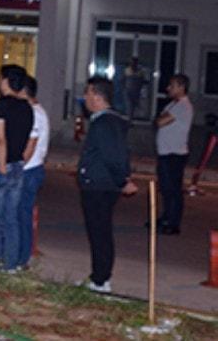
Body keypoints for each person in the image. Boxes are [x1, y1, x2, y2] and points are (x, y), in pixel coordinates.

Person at [77, 76, 137, 293]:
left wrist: (123, 180)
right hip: (100, 183)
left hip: (100, 186)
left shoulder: (105, 123)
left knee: (100, 232)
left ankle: (101, 280)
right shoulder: (107, 121)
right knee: (98, 231)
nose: (84, 98)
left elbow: (114, 156)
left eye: (87, 93)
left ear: (97, 96)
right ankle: (98, 276)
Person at [0, 65, 33, 272]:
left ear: (7, 81)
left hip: (0, 167)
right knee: (11, 218)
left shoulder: (1, 105)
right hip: (18, 166)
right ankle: (11, 264)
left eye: (0, 78)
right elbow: (28, 139)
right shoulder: (27, 107)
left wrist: (1, 164)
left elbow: (0, 138)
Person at [16, 76, 49, 269]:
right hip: (32, 169)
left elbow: (31, 143)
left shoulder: (34, 113)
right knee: (23, 214)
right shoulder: (38, 111)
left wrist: (17, 167)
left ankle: (22, 258)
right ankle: (22, 255)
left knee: (22, 215)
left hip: (29, 170)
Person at [154, 74, 192, 235]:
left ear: (181, 87)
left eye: (172, 85)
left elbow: (161, 121)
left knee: (173, 190)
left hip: (174, 154)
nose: (168, 88)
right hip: (166, 152)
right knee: (166, 188)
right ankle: (166, 217)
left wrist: (160, 119)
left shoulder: (183, 106)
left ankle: (173, 223)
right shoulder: (172, 105)